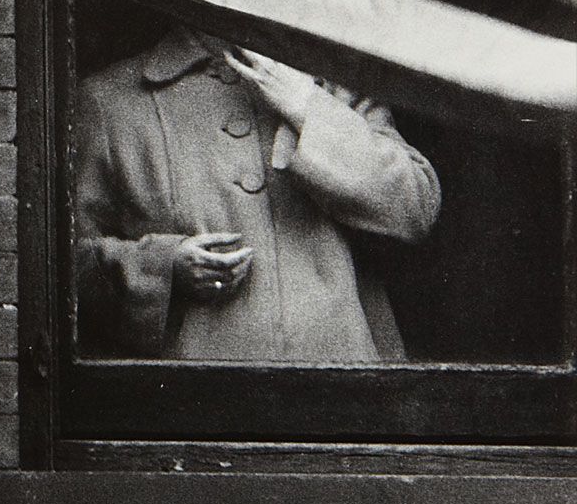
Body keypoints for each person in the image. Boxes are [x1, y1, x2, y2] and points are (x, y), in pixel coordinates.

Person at [73, 25, 439, 361]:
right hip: (195, 397)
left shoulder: (335, 83)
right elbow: (62, 263)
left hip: (343, 387)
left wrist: (308, 107)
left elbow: (415, 207)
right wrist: (164, 267)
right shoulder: (111, 100)